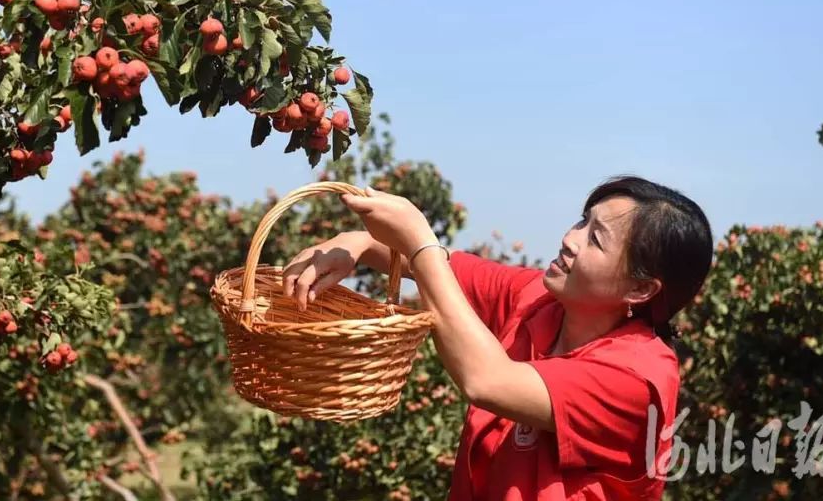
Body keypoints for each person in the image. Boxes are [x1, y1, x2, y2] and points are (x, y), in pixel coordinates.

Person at [282, 175, 714, 501]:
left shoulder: (636, 381)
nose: (570, 239)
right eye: (583, 221)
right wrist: (355, 242)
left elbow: (486, 381)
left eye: (595, 239)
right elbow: (438, 266)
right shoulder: (539, 299)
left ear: (641, 289)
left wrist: (419, 241)